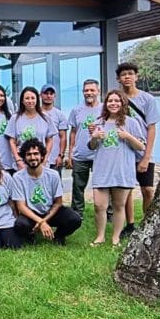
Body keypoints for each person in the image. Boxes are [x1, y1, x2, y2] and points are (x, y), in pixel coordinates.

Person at [88, 90, 146, 247]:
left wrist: (127, 136)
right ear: (106, 104)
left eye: (117, 101)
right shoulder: (99, 122)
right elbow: (92, 147)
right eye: (110, 101)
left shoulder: (131, 122)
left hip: (122, 170)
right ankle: (100, 236)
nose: (113, 103)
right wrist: (94, 137)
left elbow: (141, 146)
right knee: (99, 205)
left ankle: (116, 237)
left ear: (122, 104)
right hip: (102, 170)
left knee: (119, 205)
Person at [116, 62, 160, 238]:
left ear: (136, 76)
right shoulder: (117, 99)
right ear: (118, 79)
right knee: (126, 191)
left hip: (142, 152)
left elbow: (152, 128)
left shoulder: (147, 99)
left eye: (130, 74)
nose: (127, 77)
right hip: (124, 152)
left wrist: (146, 157)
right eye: (123, 74)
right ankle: (130, 224)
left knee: (147, 189)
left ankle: (147, 222)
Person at [12, 139, 81, 246]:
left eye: (36, 154)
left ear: (42, 156)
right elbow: (21, 207)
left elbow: (58, 202)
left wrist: (44, 220)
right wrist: (40, 221)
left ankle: (58, 236)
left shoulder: (53, 175)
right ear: (24, 157)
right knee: (20, 224)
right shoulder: (18, 177)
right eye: (28, 154)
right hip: (31, 214)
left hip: (50, 212)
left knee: (75, 219)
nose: (33, 157)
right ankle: (30, 236)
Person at [65, 79, 102, 217]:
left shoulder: (105, 109)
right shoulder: (76, 110)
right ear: (83, 92)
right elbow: (73, 132)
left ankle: (108, 213)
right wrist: (70, 154)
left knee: (103, 186)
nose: (89, 93)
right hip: (80, 154)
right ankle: (77, 214)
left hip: (100, 154)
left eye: (92, 90)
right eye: (86, 90)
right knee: (78, 187)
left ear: (98, 91)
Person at [5, 86, 57, 171]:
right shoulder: (15, 118)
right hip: (22, 162)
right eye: (27, 98)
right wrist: (18, 160)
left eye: (33, 98)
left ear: (37, 100)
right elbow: (12, 141)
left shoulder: (45, 117)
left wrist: (45, 158)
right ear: (22, 101)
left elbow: (49, 140)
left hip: (40, 161)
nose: (30, 101)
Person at [40, 84, 68, 176]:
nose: (48, 96)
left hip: (54, 160)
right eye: (46, 93)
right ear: (41, 95)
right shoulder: (36, 113)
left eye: (51, 94)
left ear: (54, 96)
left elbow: (63, 137)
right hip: (38, 159)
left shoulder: (59, 115)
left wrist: (61, 155)